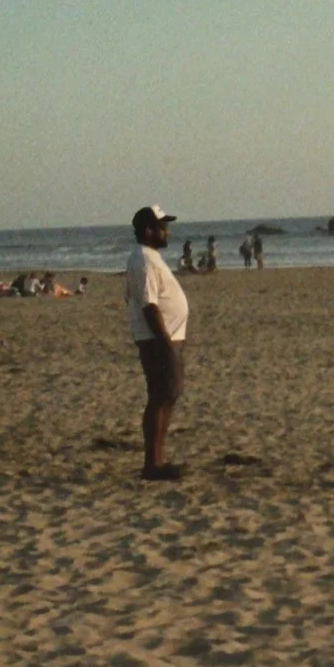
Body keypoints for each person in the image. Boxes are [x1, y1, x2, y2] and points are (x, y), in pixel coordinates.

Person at [125, 205, 189, 481]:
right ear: (149, 230)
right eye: (162, 226)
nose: (167, 231)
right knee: (161, 397)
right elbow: (149, 306)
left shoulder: (149, 257)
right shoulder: (145, 261)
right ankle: (153, 464)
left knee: (167, 396)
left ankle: (158, 461)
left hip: (164, 338)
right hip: (157, 339)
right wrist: (164, 343)